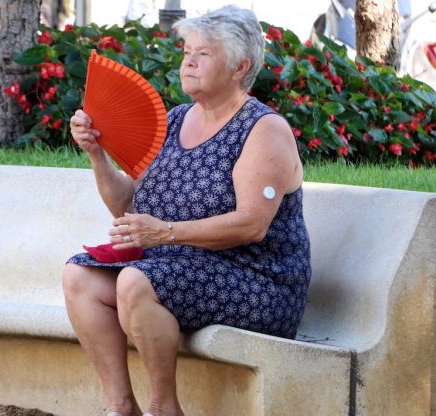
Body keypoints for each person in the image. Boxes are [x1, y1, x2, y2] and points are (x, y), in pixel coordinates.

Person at [62, 5, 311, 416]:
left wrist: (165, 233)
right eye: (186, 51)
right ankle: (121, 407)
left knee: (135, 282)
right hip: (177, 268)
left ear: (239, 66)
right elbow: (127, 206)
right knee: (79, 276)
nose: (188, 62)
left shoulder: (264, 129)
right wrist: (96, 155)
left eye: (204, 54)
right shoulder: (175, 120)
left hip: (256, 280)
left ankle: (164, 409)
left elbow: (252, 224)